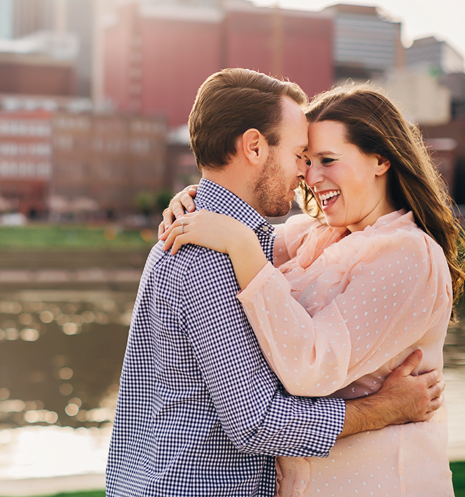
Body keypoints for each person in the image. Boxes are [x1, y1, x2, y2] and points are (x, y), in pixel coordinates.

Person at [105, 69, 446, 497]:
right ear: (253, 146)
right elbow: (259, 422)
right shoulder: (215, 257)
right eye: (302, 154)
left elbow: (267, 249)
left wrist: (212, 207)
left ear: (381, 160)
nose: (306, 174)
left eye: (323, 159)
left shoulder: (244, 244)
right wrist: (383, 409)